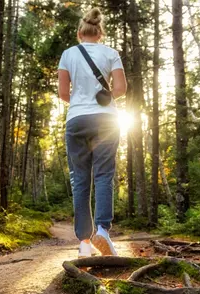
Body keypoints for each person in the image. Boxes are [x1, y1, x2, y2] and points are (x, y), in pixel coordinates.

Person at [58, 8, 127, 258]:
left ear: (80, 33)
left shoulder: (68, 54)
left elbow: (63, 93)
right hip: (107, 119)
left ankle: (84, 243)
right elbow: (120, 88)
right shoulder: (111, 53)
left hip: (77, 119)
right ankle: (103, 231)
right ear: (100, 33)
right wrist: (105, 96)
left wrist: (80, 98)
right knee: (103, 175)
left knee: (80, 180)